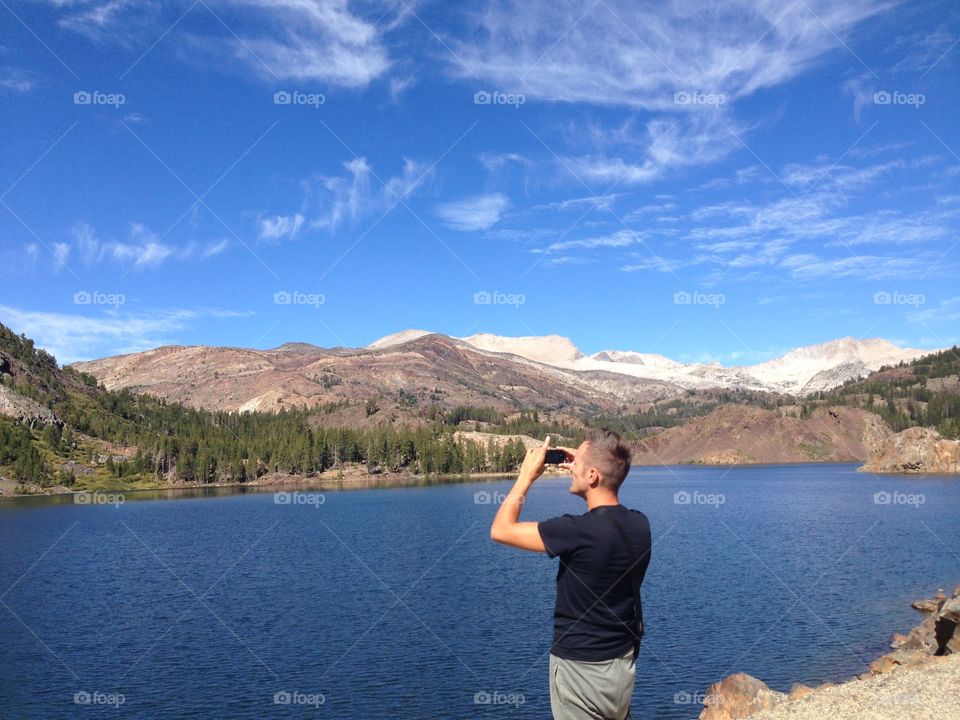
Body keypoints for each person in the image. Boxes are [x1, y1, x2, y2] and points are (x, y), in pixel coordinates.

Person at [490, 429, 651, 720]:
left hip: (580, 672)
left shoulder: (573, 532)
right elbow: (606, 516)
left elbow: (501, 529)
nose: (571, 467)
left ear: (592, 476)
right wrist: (592, 461)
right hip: (621, 667)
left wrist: (526, 476)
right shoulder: (641, 525)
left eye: (577, 464)